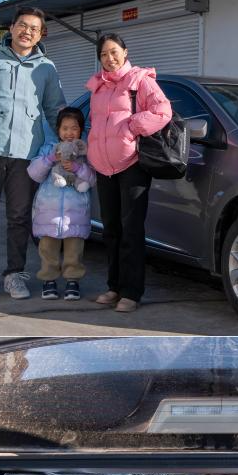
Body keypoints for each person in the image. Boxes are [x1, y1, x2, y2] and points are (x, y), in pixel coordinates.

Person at [0, 5, 66, 301]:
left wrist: (67, 142)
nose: (27, 31)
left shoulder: (46, 68)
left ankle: (14, 275)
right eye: (22, 25)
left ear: (40, 34)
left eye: (34, 28)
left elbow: (55, 108)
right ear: (11, 28)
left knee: (19, 217)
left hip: (26, 154)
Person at [85, 33, 172, 313]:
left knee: (131, 230)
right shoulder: (98, 86)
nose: (109, 58)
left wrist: (133, 126)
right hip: (104, 168)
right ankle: (114, 287)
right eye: (103, 54)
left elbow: (163, 111)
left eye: (114, 52)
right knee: (110, 230)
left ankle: (131, 292)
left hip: (131, 165)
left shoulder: (140, 80)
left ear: (125, 52)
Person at [27, 107, 95, 301]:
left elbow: (92, 179)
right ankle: (49, 280)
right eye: (65, 128)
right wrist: (50, 159)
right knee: (48, 249)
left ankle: (73, 280)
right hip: (48, 211)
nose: (69, 133)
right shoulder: (49, 148)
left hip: (76, 212)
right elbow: (33, 173)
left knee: (74, 249)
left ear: (81, 130)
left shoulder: (84, 151)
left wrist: (78, 168)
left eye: (74, 128)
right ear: (58, 129)